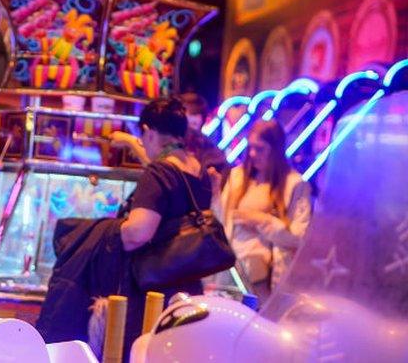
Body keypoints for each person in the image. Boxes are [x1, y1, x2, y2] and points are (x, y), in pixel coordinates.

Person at [38, 98, 211, 360]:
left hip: (151, 293)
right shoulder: (198, 171)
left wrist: (105, 229)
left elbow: (138, 234)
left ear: (149, 133)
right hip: (185, 288)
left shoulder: (160, 172)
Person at [213, 120, 311, 300]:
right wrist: (214, 195)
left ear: (275, 149)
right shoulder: (237, 176)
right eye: (250, 147)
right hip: (230, 272)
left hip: (265, 279)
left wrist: (260, 220)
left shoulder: (295, 184)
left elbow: (299, 238)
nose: (252, 153)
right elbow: (220, 223)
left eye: (260, 149)